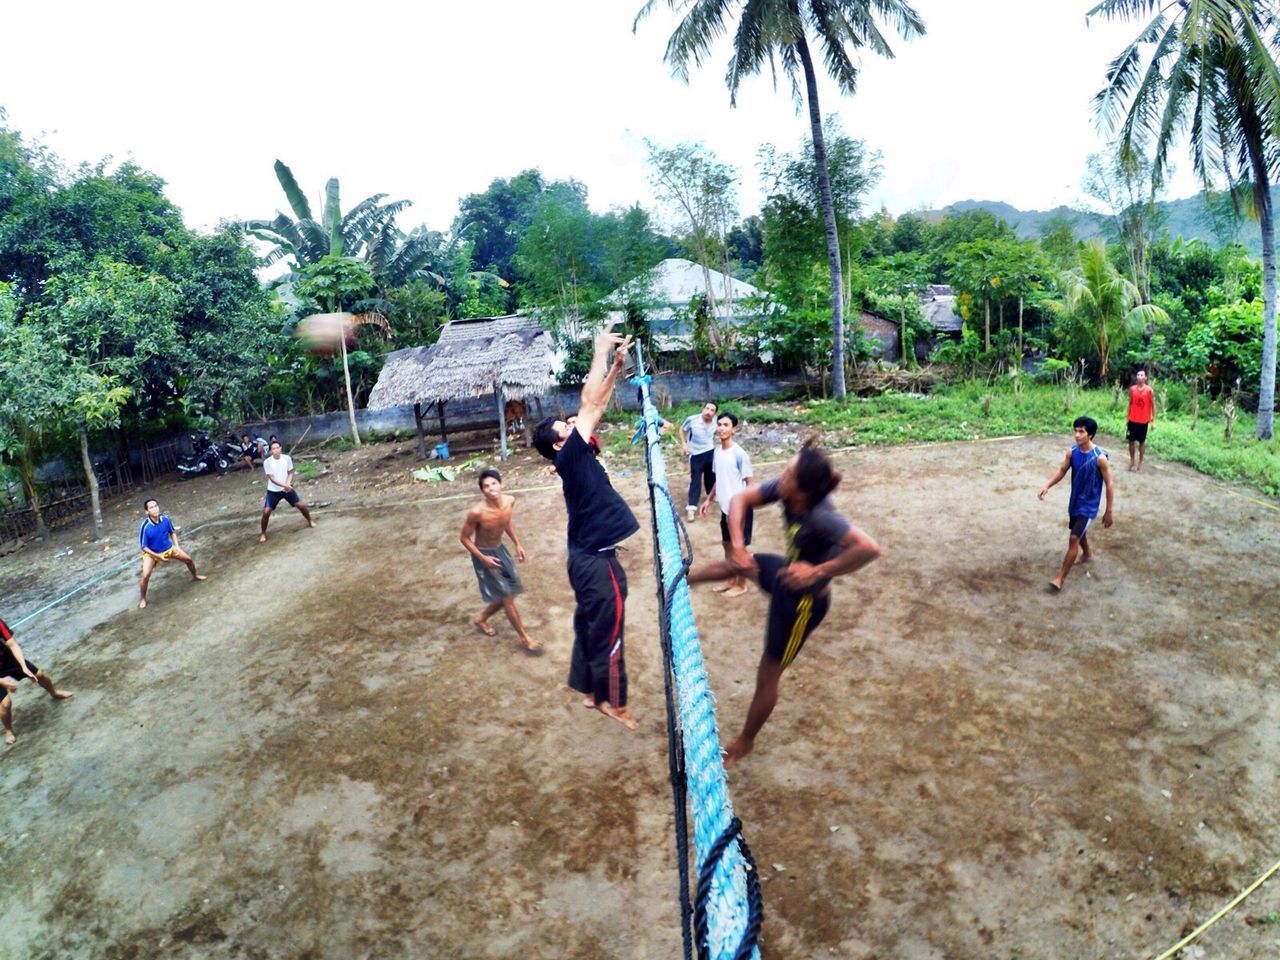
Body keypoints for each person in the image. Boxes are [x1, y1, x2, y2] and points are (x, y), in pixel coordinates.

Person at [688, 440, 880, 765]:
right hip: (785, 575)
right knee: (742, 563)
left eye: (788, 474)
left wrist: (818, 571)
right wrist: (737, 547)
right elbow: (741, 499)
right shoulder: (787, 491)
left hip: (802, 605)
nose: (780, 476)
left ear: (802, 492)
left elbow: (869, 548)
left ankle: (745, 741)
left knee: (768, 673)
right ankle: (682, 582)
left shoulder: (820, 517)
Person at [532, 323, 641, 731]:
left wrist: (616, 367)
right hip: (590, 559)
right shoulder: (569, 456)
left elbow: (599, 402)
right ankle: (613, 700)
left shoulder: (577, 452)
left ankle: (591, 691)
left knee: (595, 617)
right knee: (609, 624)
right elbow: (589, 403)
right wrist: (598, 351)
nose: (572, 423)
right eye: (565, 427)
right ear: (560, 443)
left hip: (589, 554)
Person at [460, 468, 540, 652]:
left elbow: (506, 522)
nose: (491, 488)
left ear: (501, 484)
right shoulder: (477, 512)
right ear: (483, 491)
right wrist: (483, 558)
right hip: (484, 555)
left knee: (511, 591)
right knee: (507, 597)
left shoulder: (510, 501)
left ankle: (481, 618)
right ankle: (525, 638)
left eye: (494, 483)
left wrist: (518, 544)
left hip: (500, 550)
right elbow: (464, 538)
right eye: (486, 486)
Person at [1038, 416, 1116, 592]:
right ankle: (1088, 553)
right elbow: (1062, 470)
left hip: (1089, 506)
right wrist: (1047, 485)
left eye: (1081, 431)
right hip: (1075, 502)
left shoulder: (1100, 458)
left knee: (1074, 538)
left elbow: (1109, 483)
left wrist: (1108, 510)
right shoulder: (1072, 452)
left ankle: (1060, 578)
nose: (1077, 435)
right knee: (1079, 532)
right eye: (1075, 430)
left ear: (1091, 435)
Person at [698, 412, 754, 597]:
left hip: (739, 510)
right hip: (725, 509)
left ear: (734, 429)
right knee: (727, 545)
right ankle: (731, 579)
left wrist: (741, 510)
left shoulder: (739, 454)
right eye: (719, 424)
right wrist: (708, 499)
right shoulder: (717, 452)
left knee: (739, 548)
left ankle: (742, 584)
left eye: (726, 425)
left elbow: (750, 485)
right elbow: (719, 479)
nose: (721, 428)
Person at [0, 616, 72, 745]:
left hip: (6, 659)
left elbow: (11, 643)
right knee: (5, 704)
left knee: (39, 675)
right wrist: (2, 682)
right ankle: (8, 729)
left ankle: (54, 692)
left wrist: (23, 666)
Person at [138, 498, 207, 609]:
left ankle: (195, 575)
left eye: (156, 506)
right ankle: (142, 598)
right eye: (151, 507)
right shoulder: (145, 527)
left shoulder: (166, 519)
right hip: (152, 553)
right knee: (145, 576)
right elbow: (143, 547)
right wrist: (157, 556)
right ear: (147, 511)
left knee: (188, 559)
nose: (155, 509)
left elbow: (172, 532)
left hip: (168, 548)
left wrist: (177, 547)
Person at [259, 440, 316, 543]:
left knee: (301, 505)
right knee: (266, 511)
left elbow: (290, 473)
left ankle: (310, 520)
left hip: (287, 488)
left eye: (277, 448)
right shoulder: (267, 462)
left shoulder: (287, 458)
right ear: (271, 451)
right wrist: (284, 485)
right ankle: (263, 533)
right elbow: (272, 478)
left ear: (281, 448)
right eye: (273, 449)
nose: (276, 450)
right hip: (273, 491)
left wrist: (288, 484)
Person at [681, 401, 719, 521]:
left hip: (710, 452)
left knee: (711, 476)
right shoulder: (692, 420)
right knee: (696, 480)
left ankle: (711, 495)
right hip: (696, 454)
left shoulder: (716, 422)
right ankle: (691, 508)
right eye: (707, 408)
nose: (708, 412)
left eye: (712, 410)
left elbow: (720, 432)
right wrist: (684, 444)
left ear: (715, 413)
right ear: (703, 409)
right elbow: (682, 430)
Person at [1126, 369, 1156, 472]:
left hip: (1143, 421)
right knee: (1131, 441)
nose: (1139, 376)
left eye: (1141, 375)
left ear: (1145, 378)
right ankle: (1132, 460)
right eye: (1138, 375)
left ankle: (1140, 461)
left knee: (1141, 442)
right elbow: (1130, 403)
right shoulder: (1132, 389)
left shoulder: (1149, 390)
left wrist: (1153, 421)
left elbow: (1153, 405)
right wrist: (1127, 418)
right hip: (1132, 420)